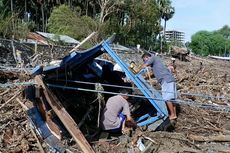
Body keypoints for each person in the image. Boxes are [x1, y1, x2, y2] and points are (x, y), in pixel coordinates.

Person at [141, 53, 177, 124]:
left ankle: (172, 115)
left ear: (147, 57)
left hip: (166, 80)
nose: (145, 61)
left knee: (167, 98)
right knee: (172, 99)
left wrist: (137, 68)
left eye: (144, 60)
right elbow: (155, 73)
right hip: (169, 79)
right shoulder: (156, 63)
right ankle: (174, 115)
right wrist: (146, 77)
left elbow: (144, 65)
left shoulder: (153, 58)